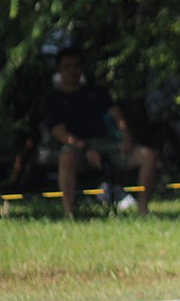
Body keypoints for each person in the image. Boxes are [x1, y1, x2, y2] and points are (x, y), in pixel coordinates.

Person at [44, 46, 158, 217]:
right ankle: (69, 214)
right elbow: (59, 133)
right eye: (66, 66)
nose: (72, 70)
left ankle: (143, 210)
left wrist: (126, 139)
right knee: (66, 158)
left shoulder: (96, 93)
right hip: (76, 147)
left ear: (81, 68)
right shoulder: (54, 100)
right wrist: (84, 148)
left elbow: (117, 116)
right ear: (59, 70)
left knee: (148, 156)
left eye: (76, 65)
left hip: (106, 144)